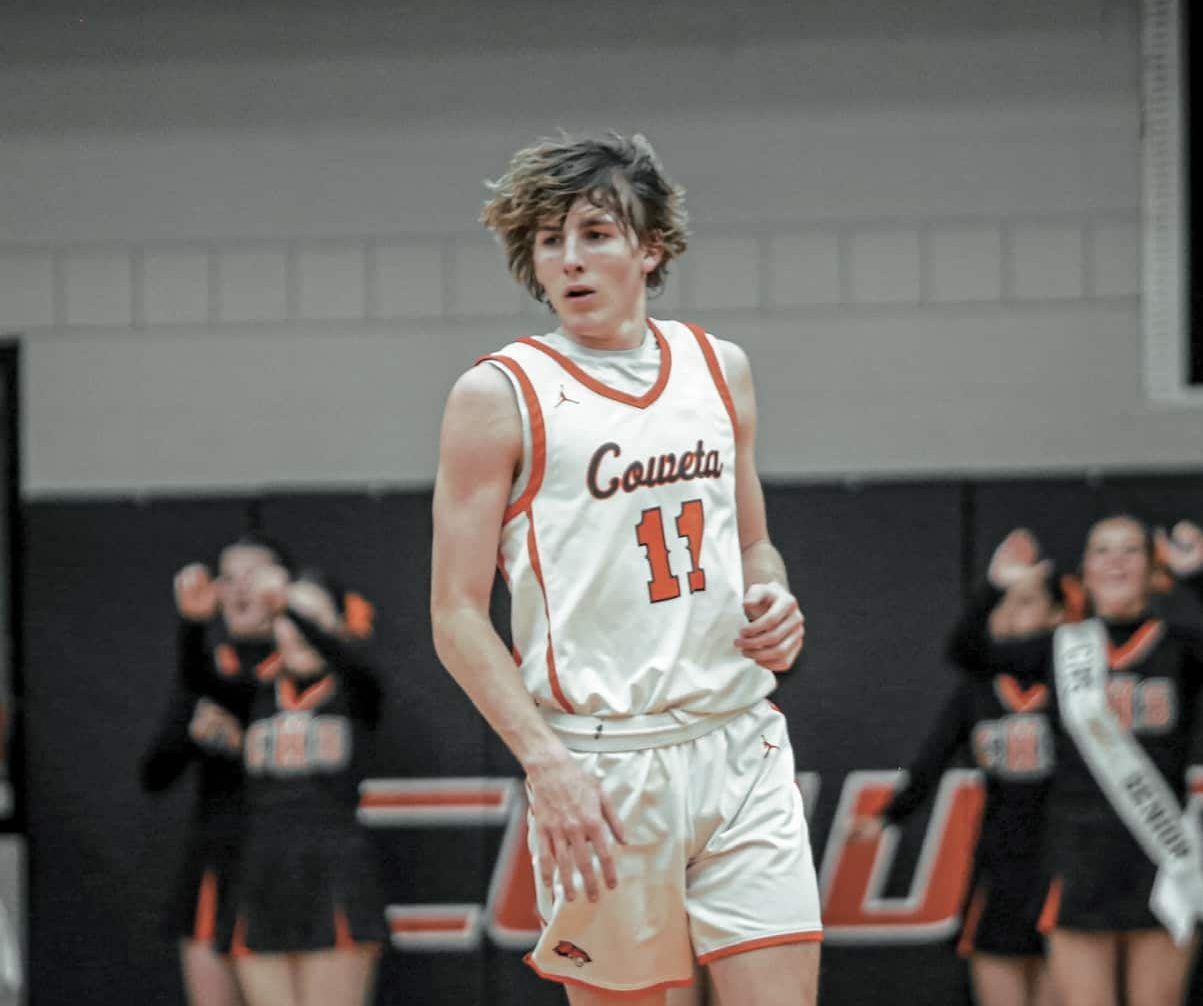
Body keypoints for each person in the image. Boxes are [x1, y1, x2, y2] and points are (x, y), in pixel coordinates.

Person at [430, 131, 821, 1005]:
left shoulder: (719, 369)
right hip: (602, 764)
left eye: (595, 234)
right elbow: (454, 614)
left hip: (738, 740)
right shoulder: (497, 395)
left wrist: (773, 593)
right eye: (548, 240)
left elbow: (751, 543)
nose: (569, 259)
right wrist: (544, 764)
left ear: (650, 248)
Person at [953, 518, 1203, 1006]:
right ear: (1084, 571)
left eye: (1130, 550)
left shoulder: (1180, 646)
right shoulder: (1062, 648)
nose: (1115, 562)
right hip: (1078, 860)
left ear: (1155, 571)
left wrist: (1197, 575)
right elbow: (967, 652)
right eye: (1102, 551)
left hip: (1161, 857)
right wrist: (995, 587)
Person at [853, 551, 1064, 1006]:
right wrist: (890, 814)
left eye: (1026, 601)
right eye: (1002, 603)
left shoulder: (1075, 682)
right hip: (998, 863)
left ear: (1057, 614)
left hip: (1066, 862)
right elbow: (933, 758)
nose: (1010, 613)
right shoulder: (977, 689)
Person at [223, 567, 386, 1006]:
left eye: (309, 616)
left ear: (337, 625)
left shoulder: (356, 688)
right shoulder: (252, 692)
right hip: (261, 875)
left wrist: (290, 609)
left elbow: (347, 659)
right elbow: (197, 678)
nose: (294, 628)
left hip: (333, 873)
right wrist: (195, 620)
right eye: (283, 616)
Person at [140, 533, 288, 1006]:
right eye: (229, 577)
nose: (241, 587)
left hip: (285, 863)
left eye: (254, 576)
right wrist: (194, 733)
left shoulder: (303, 663)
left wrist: (245, 743)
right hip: (215, 860)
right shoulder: (205, 670)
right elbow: (154, 775)